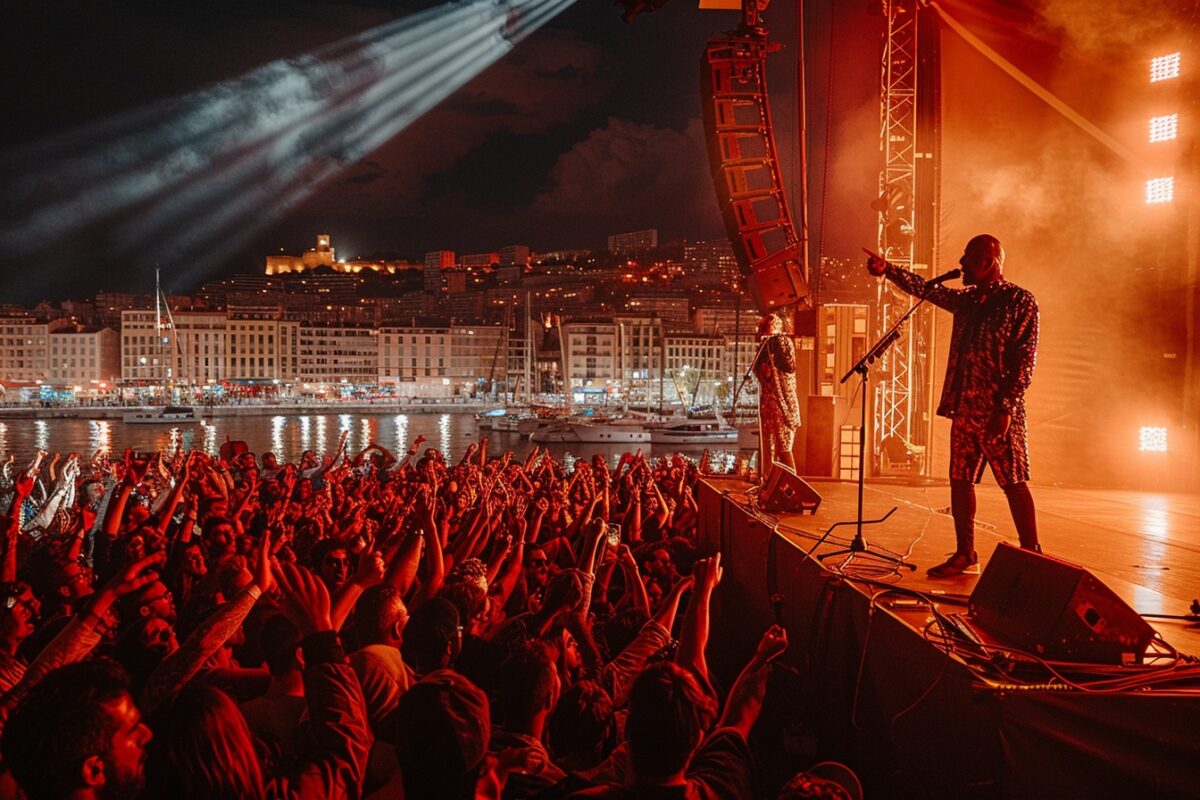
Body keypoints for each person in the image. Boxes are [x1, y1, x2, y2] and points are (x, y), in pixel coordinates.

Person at [866, 234, 1041, 577]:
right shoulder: (968, 301)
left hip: (997, 412)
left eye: (968, 258)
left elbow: (1025, 360)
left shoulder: (1020, 301)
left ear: (988, 262)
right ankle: (965, 553)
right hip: (965, 408)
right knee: (960, 480)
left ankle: (1033, 553)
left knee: (1013, 481)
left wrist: (1006, 407)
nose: (960, 263)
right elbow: (929, 290)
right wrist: (890, 271)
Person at [752, 313, 802, 483]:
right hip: (768, 404)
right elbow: (760, 373)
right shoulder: (762, 349)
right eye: (766, 327)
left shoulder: (784, 344)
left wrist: (776, 343)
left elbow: (789, 367)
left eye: (772, 326)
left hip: (782, 405)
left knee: (783, 445)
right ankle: (768, 483)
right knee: (768, 446)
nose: (769, 330)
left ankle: (793, 484)